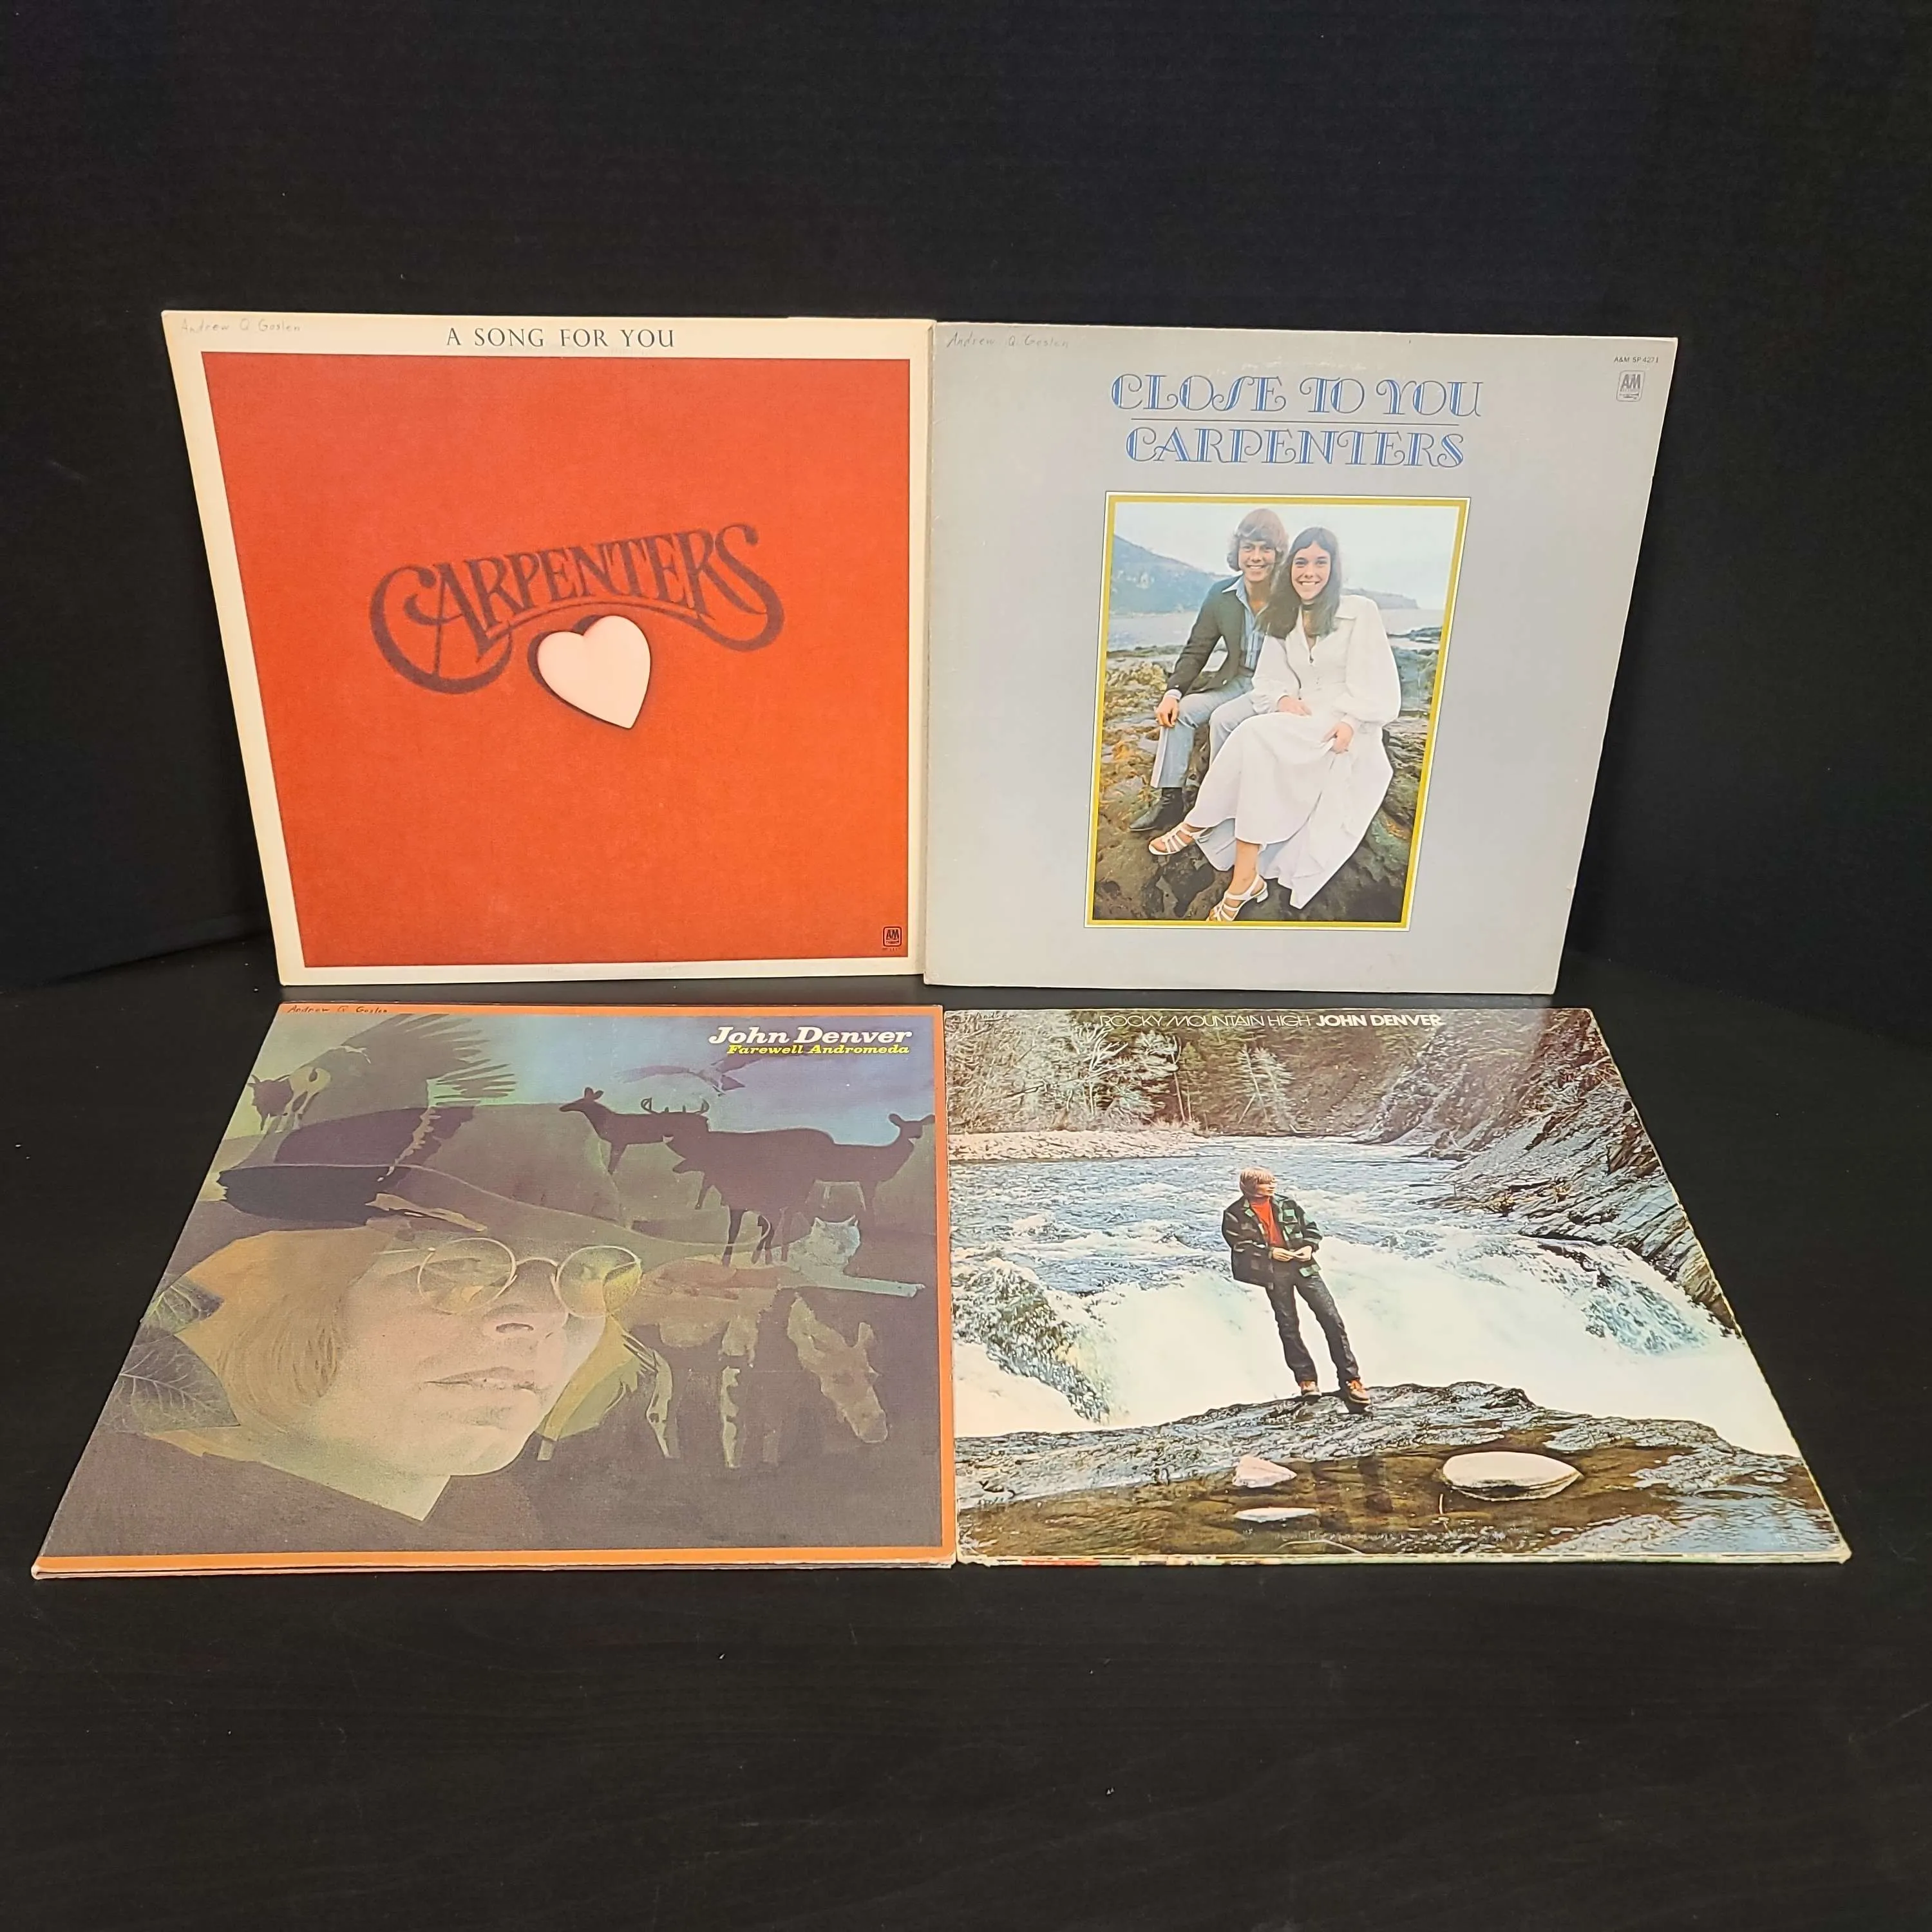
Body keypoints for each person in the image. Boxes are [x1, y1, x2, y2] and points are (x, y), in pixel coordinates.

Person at [1148, 526, 1403, 921]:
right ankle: (1243, 877)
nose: (1309, 572)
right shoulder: (1284, 617)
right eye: (1301, 563)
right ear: (1290, 569)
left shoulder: (1359, 612)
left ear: (1334, 568)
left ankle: (1200, 825)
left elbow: (1378, 681)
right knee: (1253, 737)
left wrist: (1352, 721)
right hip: (1302, 713)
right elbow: (1268, 680)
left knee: (1254, 734)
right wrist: (1283, 700)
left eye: (1320, 562)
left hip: (1345, 721)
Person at [1130, 509, 1289, 835]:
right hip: (1236, 680)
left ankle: (1217, 803)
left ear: (1277, 554)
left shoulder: (1289, 597)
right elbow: (1197, 648)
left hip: (1276, 686)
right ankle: (1170, 801)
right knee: (1183, 712)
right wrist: (1173, 692)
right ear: (1238, 552)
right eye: (1248, 548)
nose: (1256, 557)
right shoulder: (1220, 595)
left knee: (1222, 720)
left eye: (1265, 549)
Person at [1220, 1166, 1368, 1409]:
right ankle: (1306, 1381)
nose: (1272, 1185)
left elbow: (1312, 1231)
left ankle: (1351, 1380)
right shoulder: (1234, 1213)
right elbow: (1239, 1245)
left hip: (1304, 1268)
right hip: (1273, 1273)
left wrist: (1309, 1247)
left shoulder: (1287, 1204)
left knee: (1332, 1319)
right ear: (1251, 1187)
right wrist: (1270, 1252)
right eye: (1266, 1183)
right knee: (1288, 1326)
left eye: (1273, 1181)